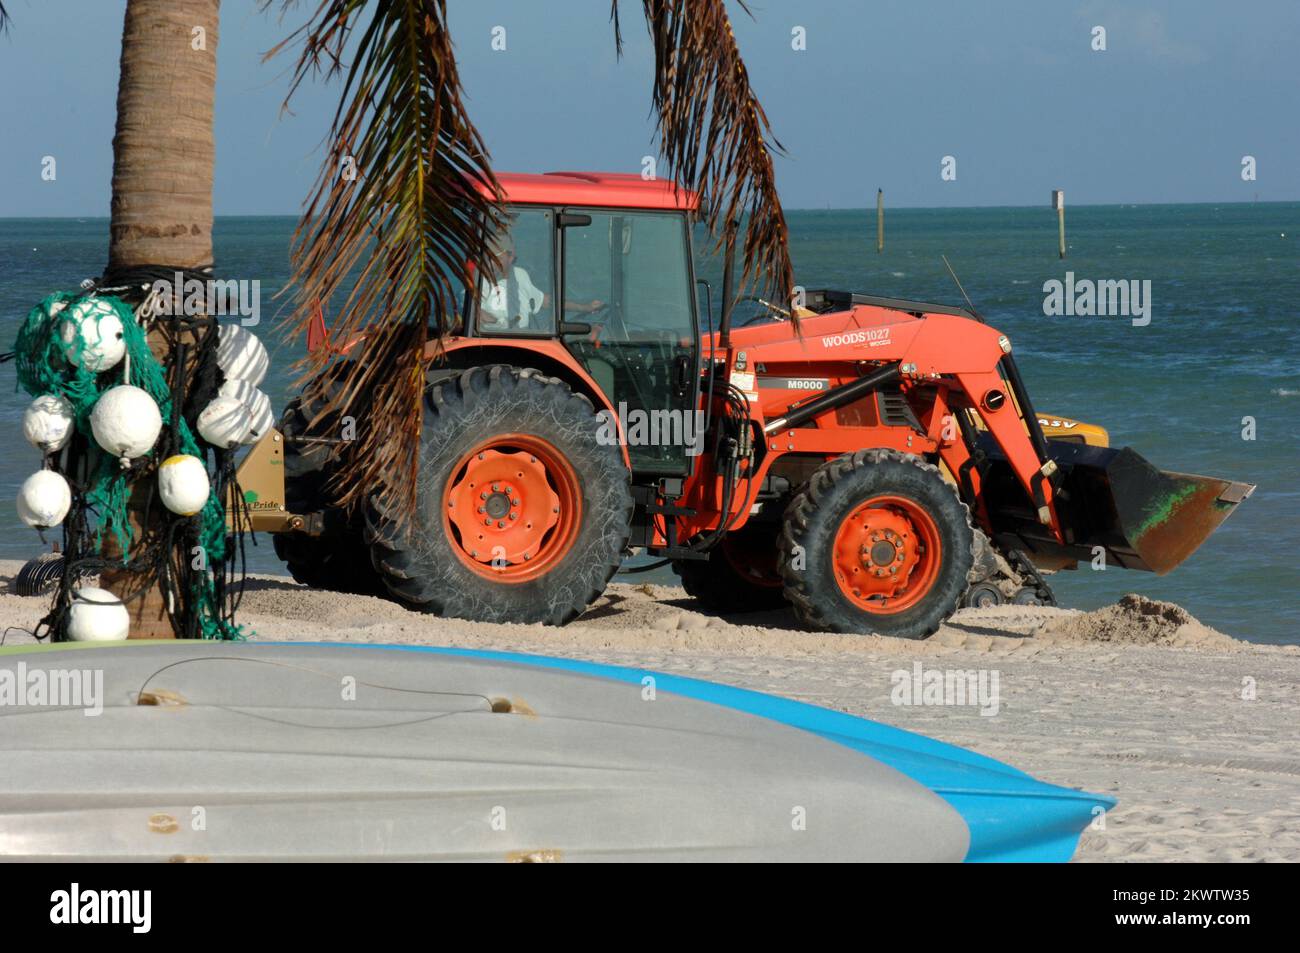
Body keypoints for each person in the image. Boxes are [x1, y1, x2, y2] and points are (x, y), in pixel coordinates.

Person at [477, 233, 602, 331]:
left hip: (523, 337)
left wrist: (584, 307)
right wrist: (500, 323)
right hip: (494, 339)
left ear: (511, 257)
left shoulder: (519, 275)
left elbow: (544, 301)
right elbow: (478, 315)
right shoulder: (479, 280)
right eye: (488, 256)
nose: (490, 262)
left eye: (496, 257)